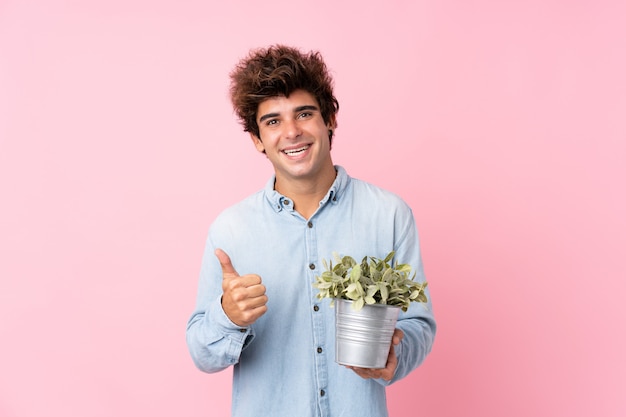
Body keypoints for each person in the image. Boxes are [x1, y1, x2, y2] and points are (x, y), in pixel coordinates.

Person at [186, 45, 436, 417]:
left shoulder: (388, 214)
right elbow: (201, 352)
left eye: (304, 113)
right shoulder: (231, 229)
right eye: (272, 121)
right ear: (257, 140)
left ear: (329, 118)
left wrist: (393, 354)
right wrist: (228, 316)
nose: (291, 132)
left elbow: (418, 322)